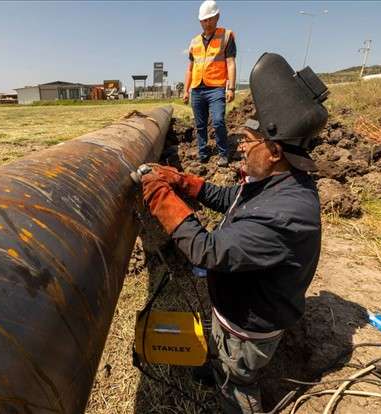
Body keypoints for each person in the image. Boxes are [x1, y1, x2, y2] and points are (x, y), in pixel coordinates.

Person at [141, 53, 329, 413]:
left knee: (238, 378)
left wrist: (161, 197)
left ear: (274, 150)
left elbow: (206, 250)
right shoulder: (278, 181)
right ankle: (221, 368)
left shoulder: (284, 214)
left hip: (248, 328)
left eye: (248, 140)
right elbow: (233, 199)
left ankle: (235, 392)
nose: (239, 145)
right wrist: (186, 182)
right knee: (224, 355)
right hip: (237, 309)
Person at [183, 0, 237, 167]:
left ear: (217, 17)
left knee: (218, 120)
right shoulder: (194, 42)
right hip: (197, 88)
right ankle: (203, 152)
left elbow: (230, 63)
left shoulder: (226, 36)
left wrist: (231, 88)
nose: (206, 23)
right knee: (200, 124)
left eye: (210, 19)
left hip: (216, 88)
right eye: (203, 20)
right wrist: (186, 90)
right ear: (200, 21)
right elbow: (190, 68)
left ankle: (223, 153)